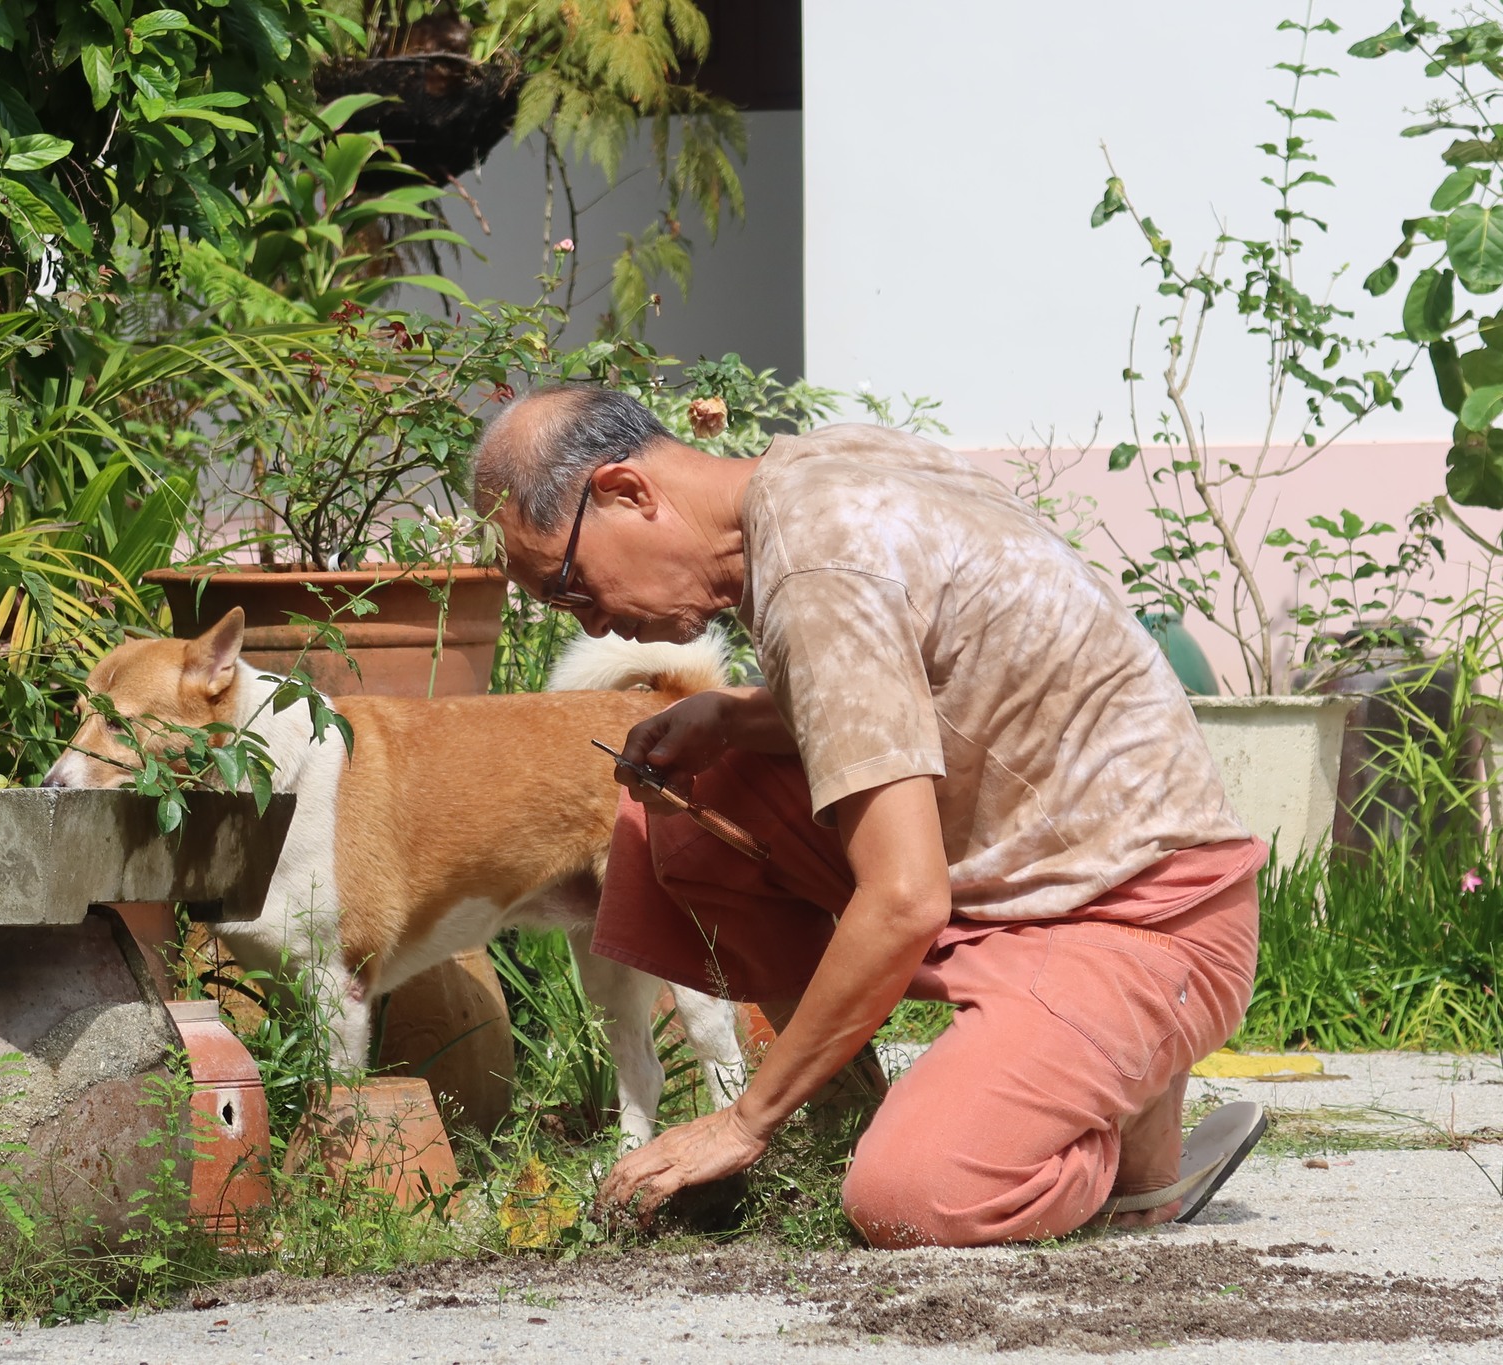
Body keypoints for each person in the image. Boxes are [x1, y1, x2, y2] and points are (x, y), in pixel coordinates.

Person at [473, 384, 1270, 1248]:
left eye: (570, 585)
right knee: (688, 800)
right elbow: (935, 693)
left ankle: (1122, 1128)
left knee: (911, 1195)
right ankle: (847, 1126)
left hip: (1145, 917)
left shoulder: (814, 568)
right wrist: (735, 719)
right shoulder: (815, 472)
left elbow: (904, 898)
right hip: (1035, 865)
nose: (593, 623)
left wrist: (743, 1120)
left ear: (627, 491)